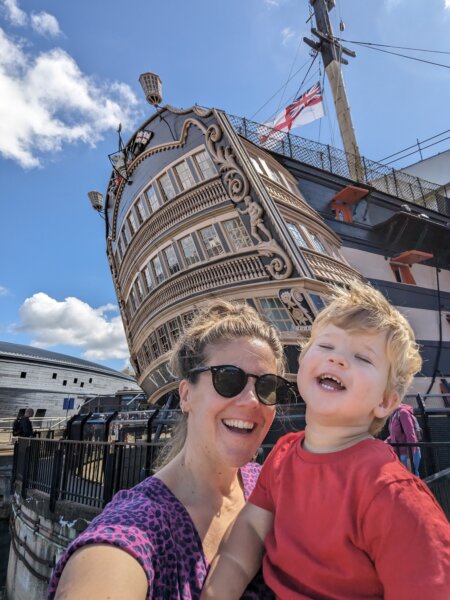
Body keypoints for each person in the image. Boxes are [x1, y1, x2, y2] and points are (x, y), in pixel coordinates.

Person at [202, 281, 450, 600]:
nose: (338, 359)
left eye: (362, 357)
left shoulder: (393, 497)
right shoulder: (282, 455)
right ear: (303, 363)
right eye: (327, 346)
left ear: (386, 401)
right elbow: (249, 531)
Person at [48, 300, 294, 600]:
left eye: (267, 386)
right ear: (186, 394)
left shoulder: (270, 485)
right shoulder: (137, 527)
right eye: (229, 379)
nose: (252, 400)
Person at [387, 402, 422, 475]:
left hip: (408, 454)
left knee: (412, 480)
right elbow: (394, 435)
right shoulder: (393, 415)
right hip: (401, 454)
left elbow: (411, 436)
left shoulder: (403, 413)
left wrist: (410, 459)